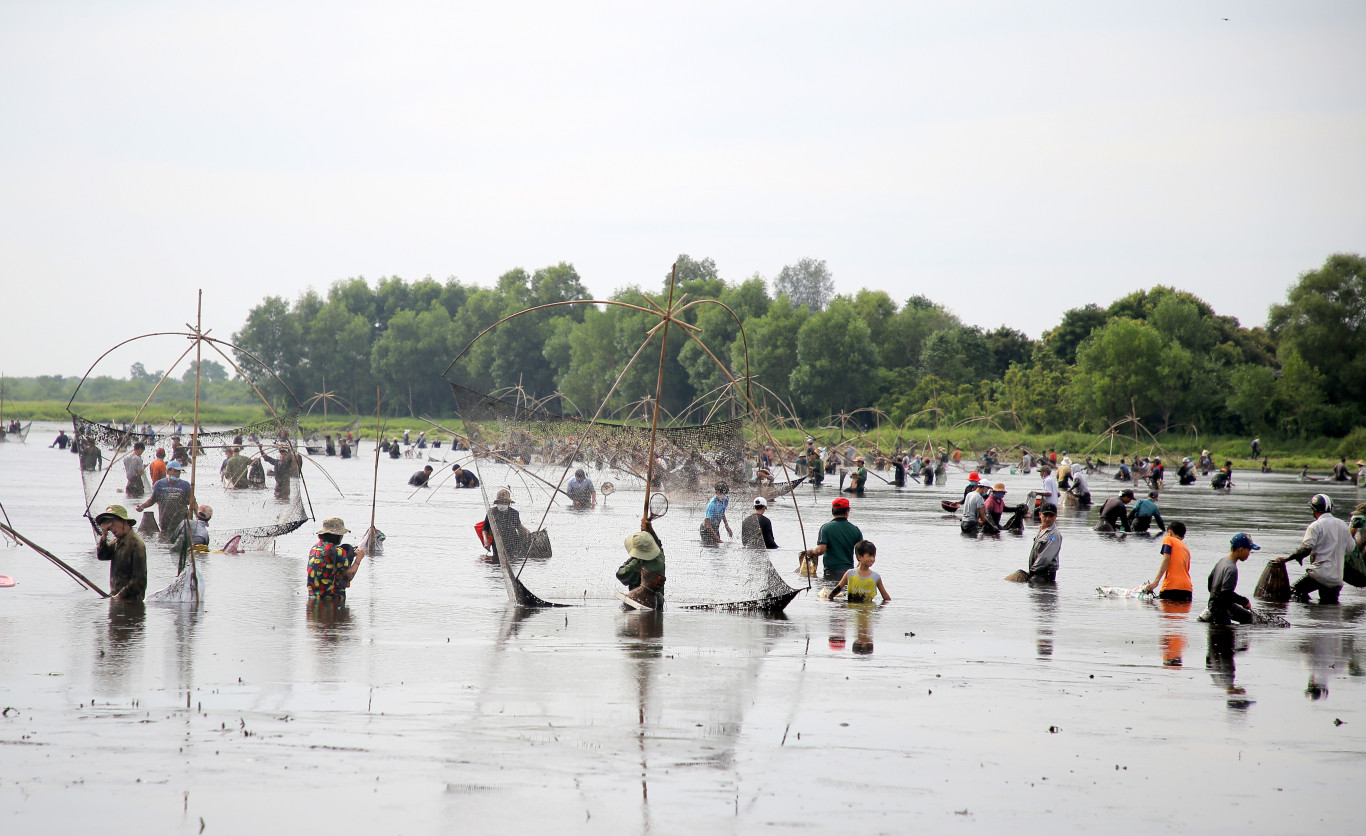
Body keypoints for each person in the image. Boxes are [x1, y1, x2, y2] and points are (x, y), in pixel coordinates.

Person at [1274, 494, 1349, 604]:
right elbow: (1351, 549)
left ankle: (1306, 615)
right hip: (1337, 579)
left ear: (1314, 509)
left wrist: (1286, 559)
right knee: (1330, 607)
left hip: (1319, 574)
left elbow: (1306, 549)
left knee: (1294, 591)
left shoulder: (1315, 526)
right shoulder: (1343, 525)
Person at [94, 504, 148, 601]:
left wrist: (119, 597)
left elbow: (139, 580)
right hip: (117, 598)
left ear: (124, 521)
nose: (110, 528)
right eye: (108, 525)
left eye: (112, 523)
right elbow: (102, 556)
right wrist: (104, 535)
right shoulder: (117, 542)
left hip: (131, 603)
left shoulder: (136, 544)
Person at [1200, 534, 1257, 624]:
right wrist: (1244, 601)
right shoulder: (1231, 568)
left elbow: (1210, 579)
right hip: (1221, 608)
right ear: (1241, 549)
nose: (1249, 554)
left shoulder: (1222, 561)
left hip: (1212, 603)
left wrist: (1215, 592)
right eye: (1249, 550)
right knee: (1247, 618)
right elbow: (1226, 594)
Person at [307, 516, 367, 601]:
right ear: (337, 535)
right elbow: (349, 576)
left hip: (313, 598)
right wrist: (359, 558)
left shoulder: (315, 548)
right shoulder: (338, 551)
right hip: (331, 600)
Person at [135, 460, 193, 539]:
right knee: (164, 545)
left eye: (179, 471)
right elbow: (152, 500)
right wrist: (142, 506)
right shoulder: (159, 484)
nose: (177, 473)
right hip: (165, 524)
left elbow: (192, 502)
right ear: (168, 471)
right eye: (175, 471)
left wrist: (199, 514)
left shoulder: (185, 485)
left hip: (181, 523)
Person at [616, 517, 666, 608]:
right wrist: (650, 530)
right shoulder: (660, 558)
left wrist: (633, 558)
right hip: (657, 603)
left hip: (638, 603)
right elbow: (659, 545)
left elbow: (620, 574)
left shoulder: (636, 565)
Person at [811, 497, 863, 578]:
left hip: (831, 572)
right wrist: (856, 570)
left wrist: (813, 552)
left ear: (833, 511)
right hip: (849, 573)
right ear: (847, 512)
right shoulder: (855, 530)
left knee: (832, 590)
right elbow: (862, 554)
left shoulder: (825, 528)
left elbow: (820, 550)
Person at [1142, 521, 1192, 601]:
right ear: (1183, 537)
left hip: (1171, 587)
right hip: (1187, 589)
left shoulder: (1169, 539)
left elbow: (1166, 559)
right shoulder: (1186, 549)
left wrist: (1156, 581)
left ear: (1170, 532)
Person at [482, 489, 530, 559]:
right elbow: (485, 528)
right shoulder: (492, 513)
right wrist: (486, 540)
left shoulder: (514, 513)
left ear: (508, 503)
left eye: (504, 502)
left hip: (513, 541)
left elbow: (518, 525)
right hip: (497, 542)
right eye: (500, 502)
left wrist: (525, 530)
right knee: (497, 560)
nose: (502, 504)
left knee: (514, 560)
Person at [1027, 503, 1062, 582]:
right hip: (1037, 572)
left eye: (1051, 516)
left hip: (1045, 574)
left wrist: (1031, 572)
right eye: (1045, 515)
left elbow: (1045, 557)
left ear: (1055, 516)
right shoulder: (1042, 530)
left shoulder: (1054, 535)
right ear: (1040, 514)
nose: (1047, 518)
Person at [700, 482, 732, 547]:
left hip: (715, 527)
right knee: (711, 546)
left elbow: (722, 512)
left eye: (725, 494)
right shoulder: (711, 505)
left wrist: (726, 525)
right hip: (706, 529)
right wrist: (717, 539)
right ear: (716, 492)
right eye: (721, 494)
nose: (724, 496)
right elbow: (707, 524)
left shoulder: (726, 499)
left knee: (717, 546)